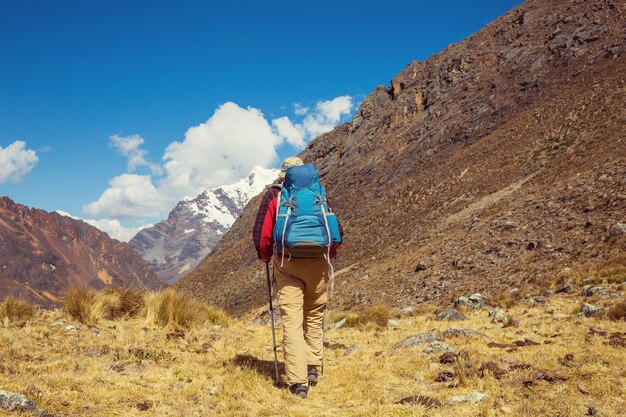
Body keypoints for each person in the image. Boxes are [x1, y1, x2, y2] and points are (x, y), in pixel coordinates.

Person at [253, 156, 342, 399]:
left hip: (287, 263)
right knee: (313, 315)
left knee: (292, 321)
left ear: (284, 175)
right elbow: (334, 228)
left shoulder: (274, 196)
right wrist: (329, 254)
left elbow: (262, 233)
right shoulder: (318, 193)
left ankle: (298, 382)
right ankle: (313, 367)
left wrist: (265, 256)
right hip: (318, 264)